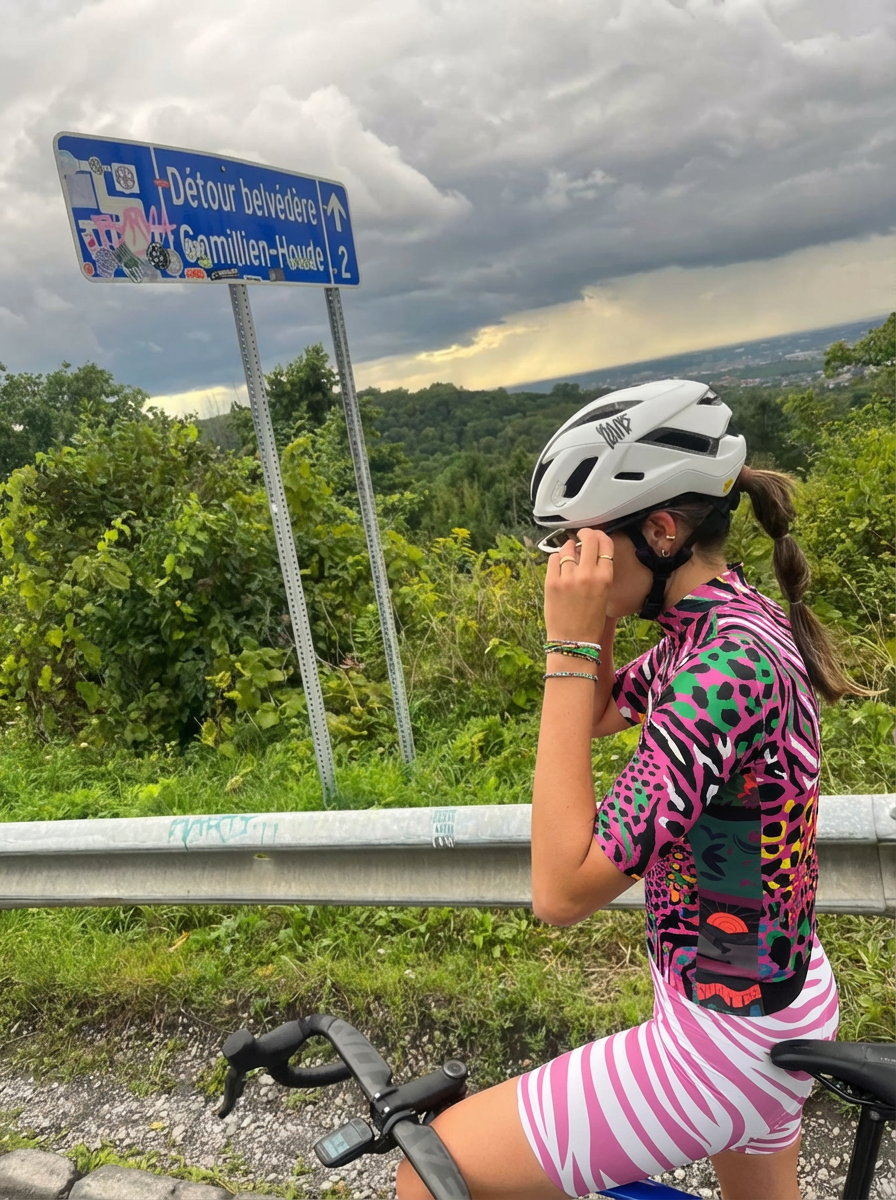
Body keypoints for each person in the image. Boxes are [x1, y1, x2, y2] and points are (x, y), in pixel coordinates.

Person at [396, 379, 860, 1200]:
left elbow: (561, 890)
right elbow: (605, 707)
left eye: (581, 544)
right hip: (757, 1001)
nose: (567, 565)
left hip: (724, 1043)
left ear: (661, 531)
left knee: (434, 1170)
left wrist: (567, 643)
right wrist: (600, 618)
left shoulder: (725, 670)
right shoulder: (717, 624)